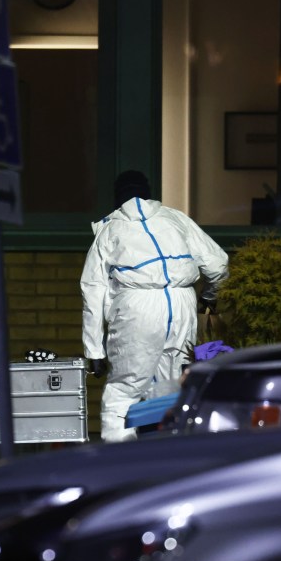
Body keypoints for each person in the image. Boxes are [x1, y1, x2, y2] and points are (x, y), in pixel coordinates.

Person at [80, 170, 229, 443]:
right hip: (182, 302)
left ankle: (119, 465)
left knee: (124, 390)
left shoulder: (110, 229)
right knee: (172, 387)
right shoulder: (175, 218)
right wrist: (209, 296)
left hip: (136, 306)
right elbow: (218, 264)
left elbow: (93, 289)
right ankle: (169, 460)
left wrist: (94, 348)